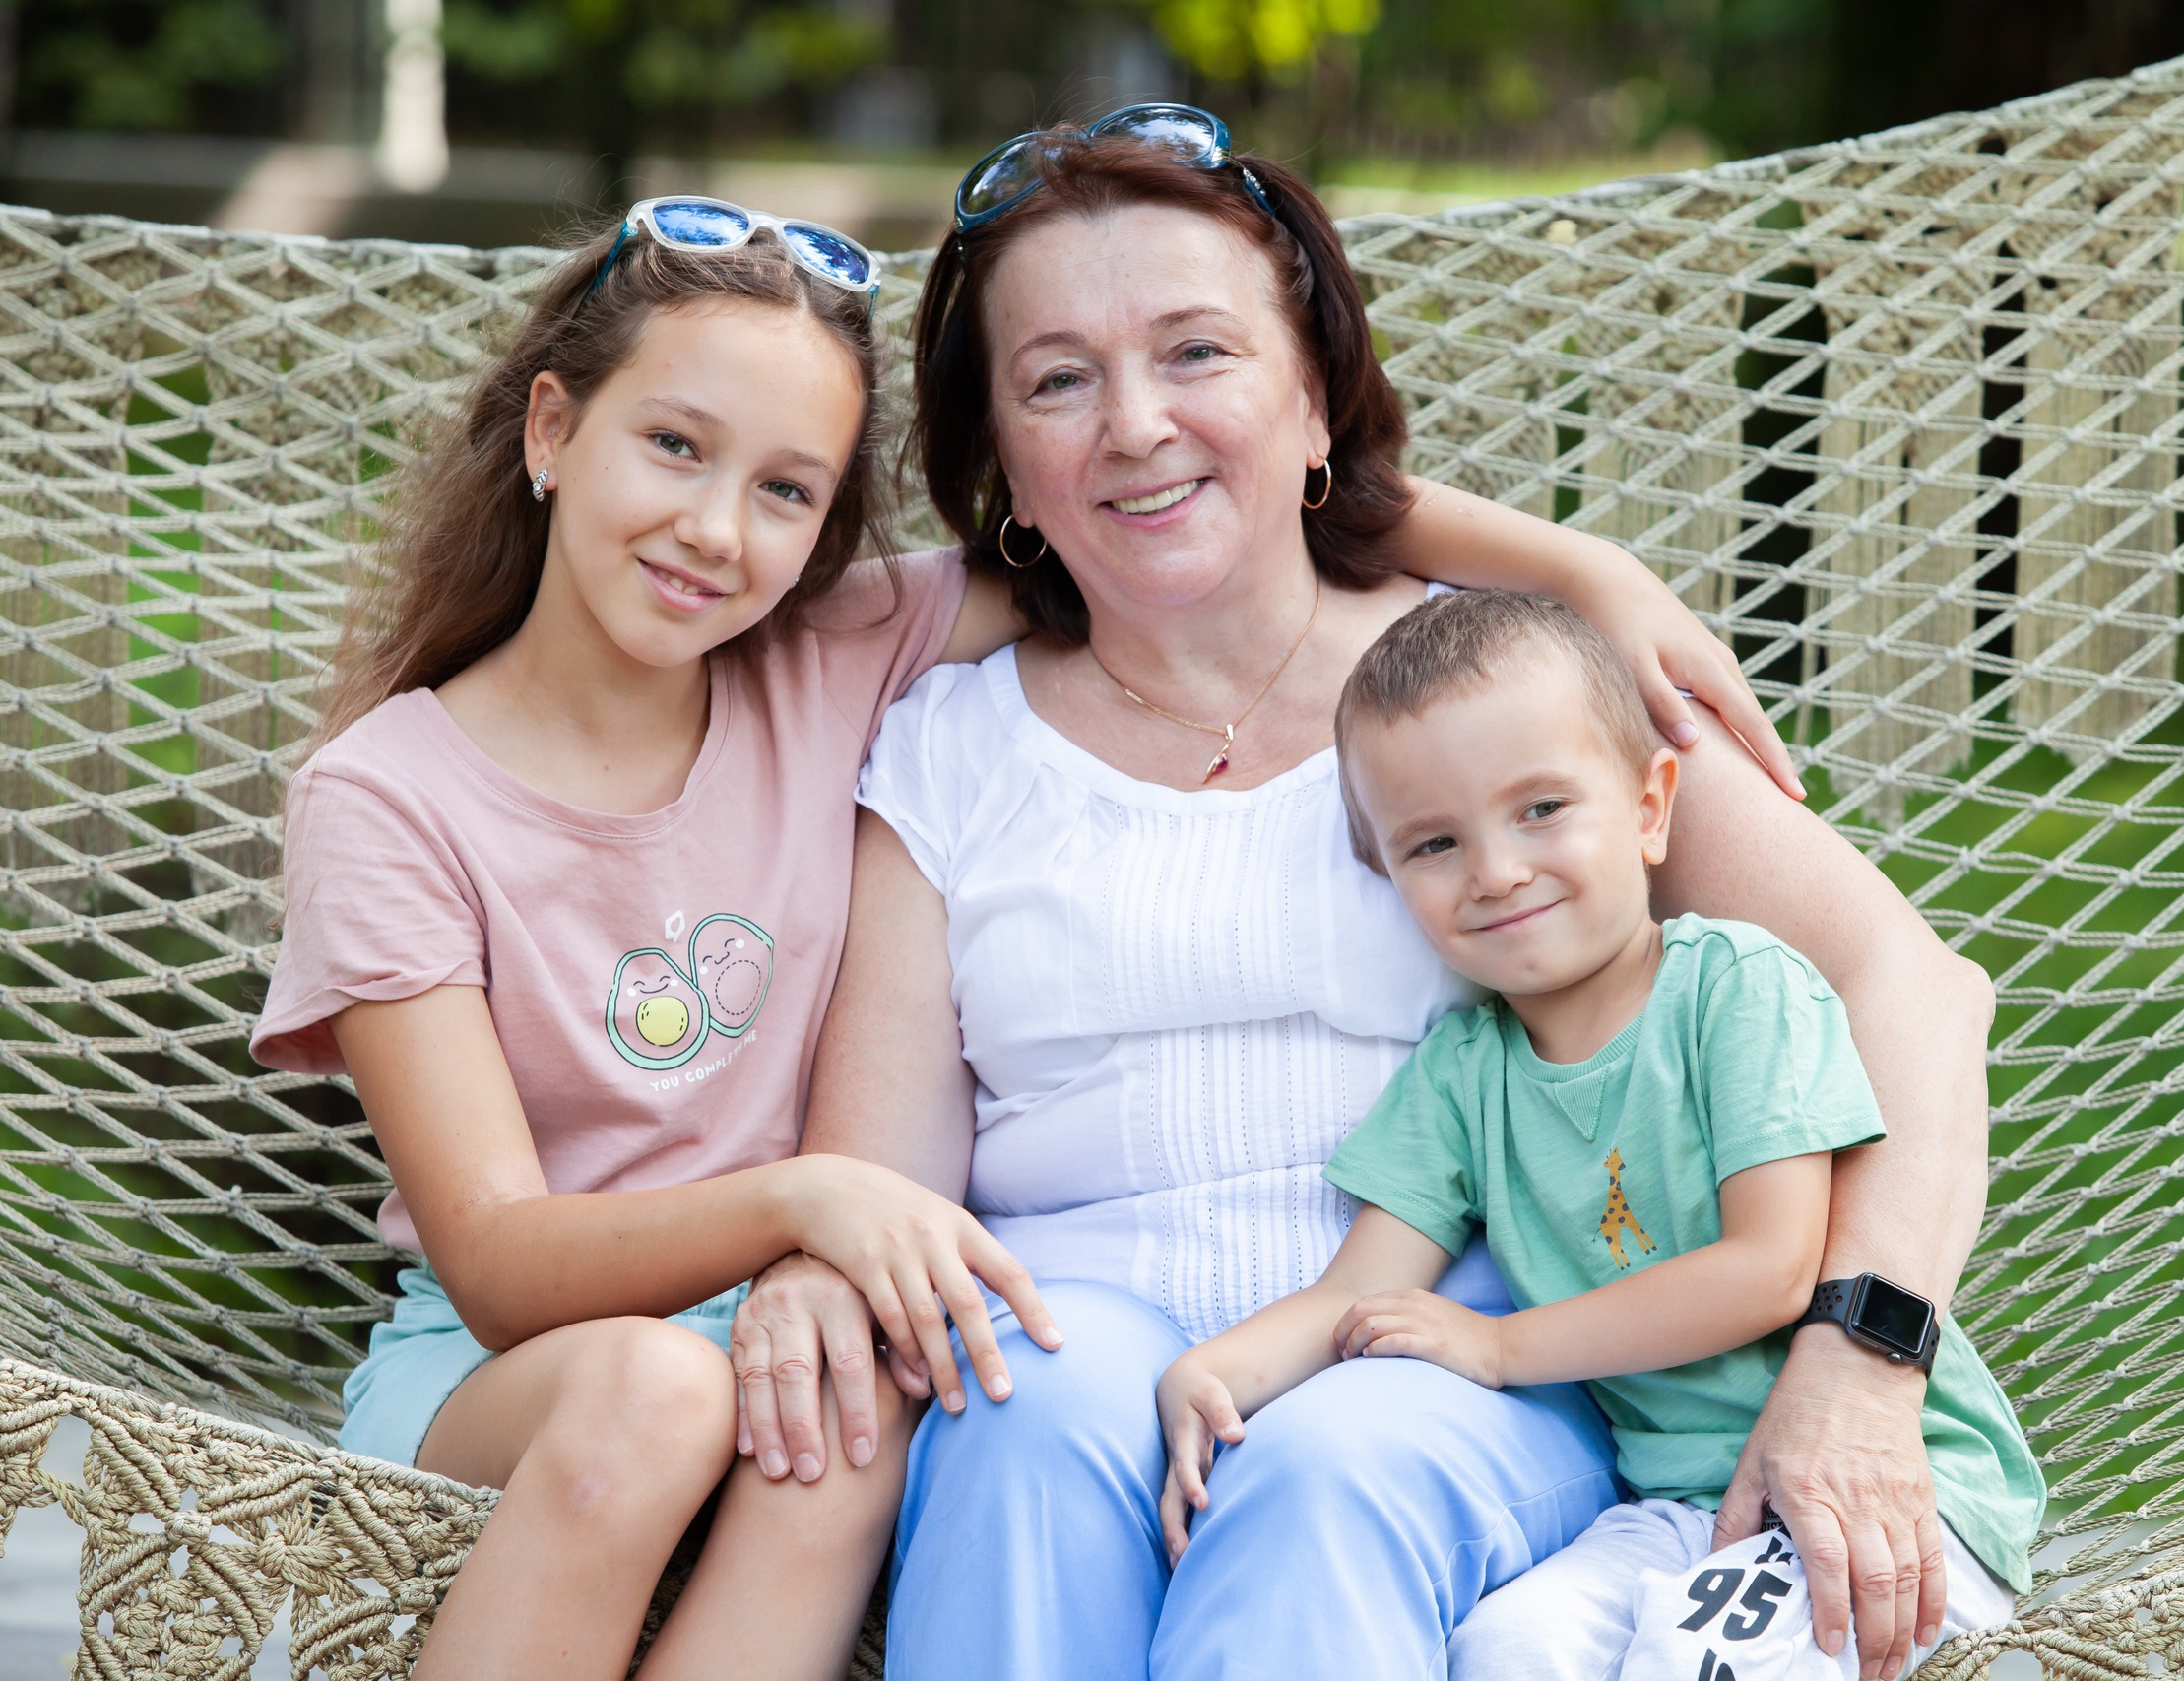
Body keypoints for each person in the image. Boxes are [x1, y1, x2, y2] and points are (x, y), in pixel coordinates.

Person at [251, 183, 1777, 1677]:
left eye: (788, 490)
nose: (718, 530)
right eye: (671, 445)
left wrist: (1588, 569)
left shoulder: (816, 648)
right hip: (526, 1354)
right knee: (678, 1394)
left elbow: (1175, 508)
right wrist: (816, 1205)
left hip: (788, 1315)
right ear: (550, 430)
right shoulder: (391, 794)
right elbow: (505, 1264)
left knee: (846, 1427)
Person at [729, 107, 1999, 1681]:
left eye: (1197, 351)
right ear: (1006, 473)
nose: (1134, 425)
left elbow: (1916, 991)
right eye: (1060, 379)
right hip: (1063, 1327)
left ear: (1315, 401)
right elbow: (891, 1173)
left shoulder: (1501, 690)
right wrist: (809, 1259)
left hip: (1454, 1346)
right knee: (1022, 1427)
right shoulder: (940, 750)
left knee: (1325, 1476)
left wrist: (1863, 1354)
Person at [1156, 589, 2043, 1681]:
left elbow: (1768, 1271)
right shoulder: (1462, 1077)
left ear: (1648, 807)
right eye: (1434, 842)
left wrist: (1496, 1346)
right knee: (1505, 1647)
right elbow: (1357, 1295)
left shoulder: (1734, 988)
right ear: (1389, 872)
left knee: (1691, 1658)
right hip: (1680, 1507)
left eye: (1539, 809)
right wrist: (1213, 1371)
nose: (1495, 870)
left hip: (1894, 1497)